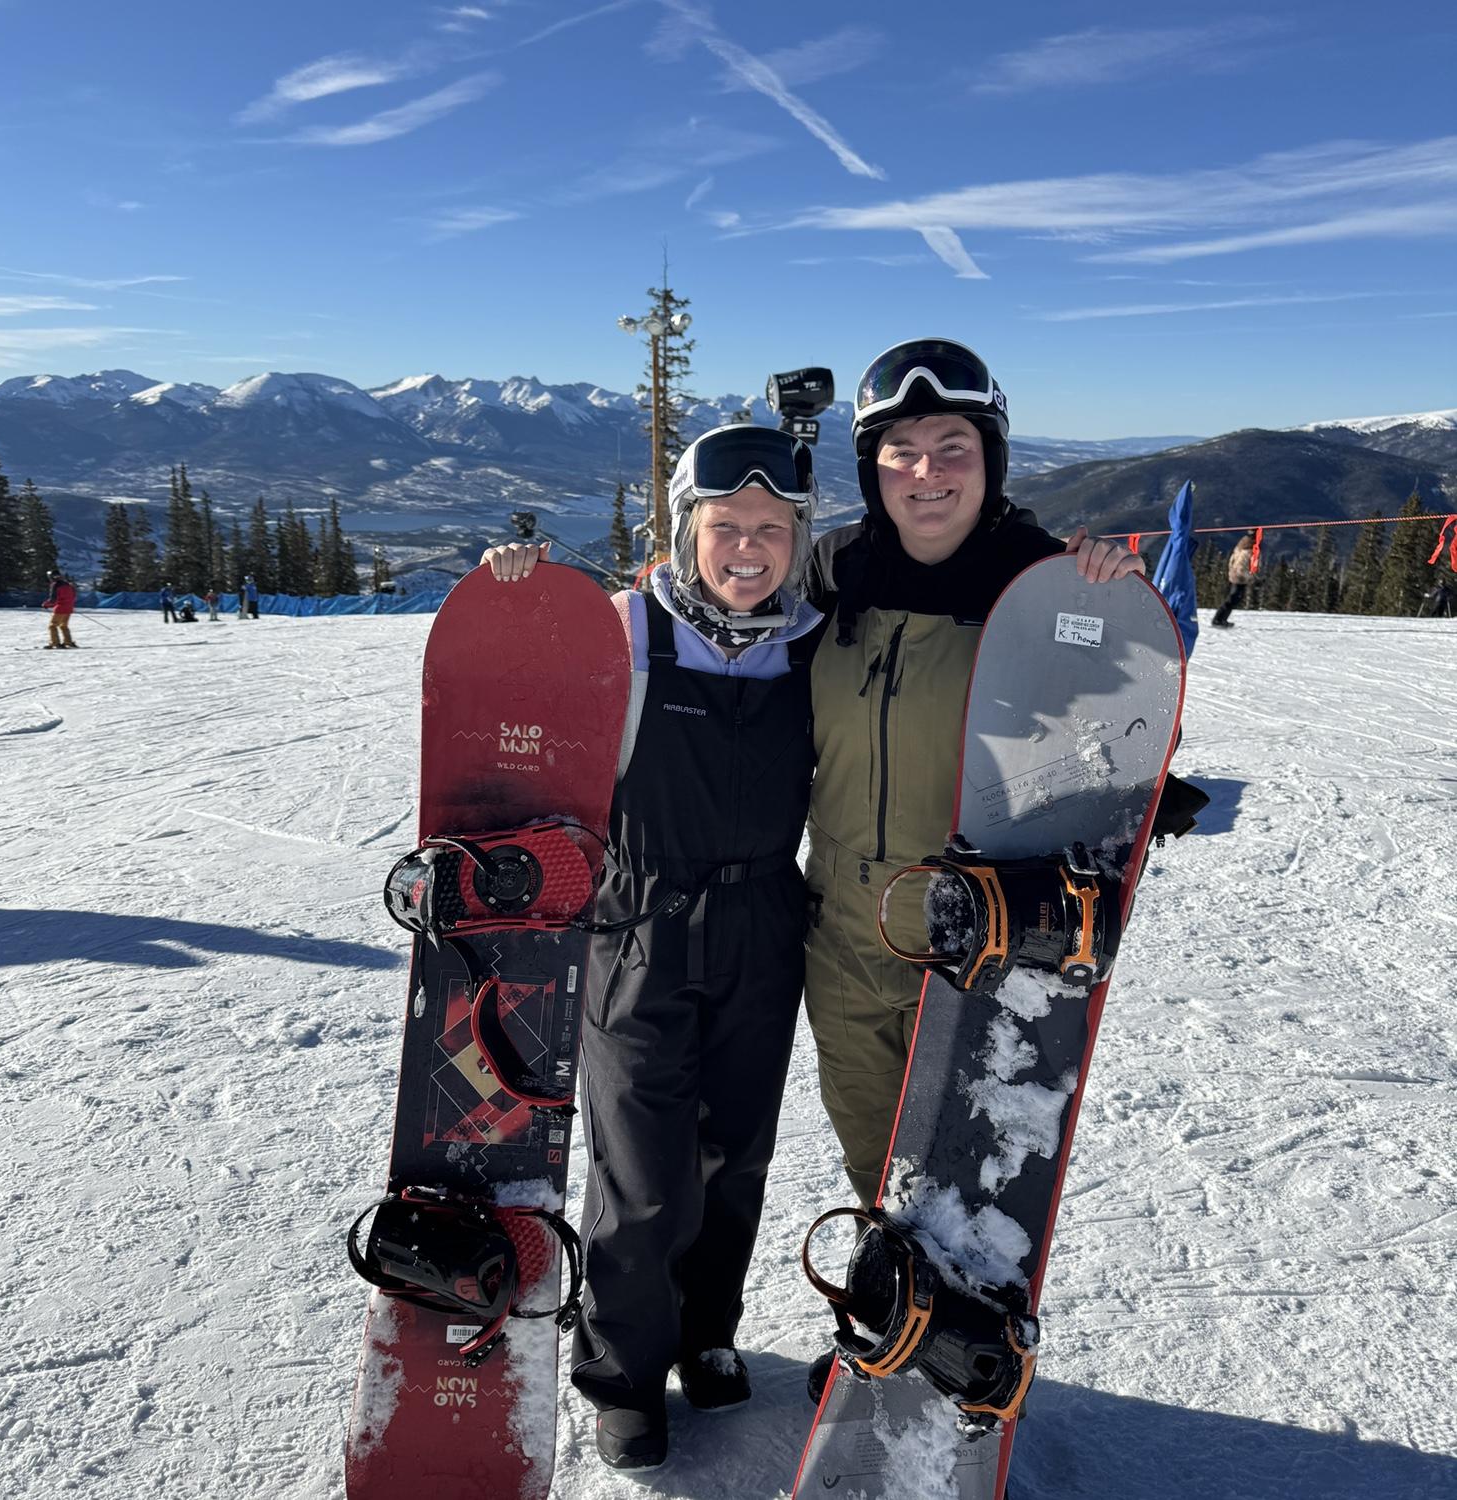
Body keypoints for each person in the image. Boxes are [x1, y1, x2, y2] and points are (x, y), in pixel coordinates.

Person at [483, 426, 822, 1473]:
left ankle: (705, 1333)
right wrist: (518, 591)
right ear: (687, 529)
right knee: (640, 1164)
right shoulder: (629, 631)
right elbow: (517, 698)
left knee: (738, 1153)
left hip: (765, 915)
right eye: (728, 527)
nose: (751, 548)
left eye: (775, 528)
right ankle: (624, 1373)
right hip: (643, 920)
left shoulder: (815, 641)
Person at [802, 338, 1150, 1218]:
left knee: (963, 1174)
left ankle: (960, 1333)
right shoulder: (831, 570)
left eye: (953, 446)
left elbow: (1123, 735)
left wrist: (1115, 607)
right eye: (901, 451)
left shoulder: (1039, 584)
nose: (928, 471)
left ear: (989, 458)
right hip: (840, 933)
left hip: (973, 931)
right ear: (872, 468)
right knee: (876, 1167)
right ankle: (894, 1334)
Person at [1212, 535, 1255, 627]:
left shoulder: (1239, 548)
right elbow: (1242, 568)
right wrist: (1251, 577)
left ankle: (1221, 619)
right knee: (1233, 599)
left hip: (1236, 576)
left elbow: (1232, 562)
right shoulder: (1248, 552)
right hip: (1240, 578)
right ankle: (1218, 619)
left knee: (1234, 599)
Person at [42, 570, 77, 649]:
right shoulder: (68, 585)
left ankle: (55, 643)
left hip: (60, 608)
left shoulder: (55, 585)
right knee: (63, 625)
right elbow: (74, 596)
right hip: (69, 608)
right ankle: (68, 642)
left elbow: (53, 600)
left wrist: (45, 604)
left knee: (52, 626)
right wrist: (69, 604)